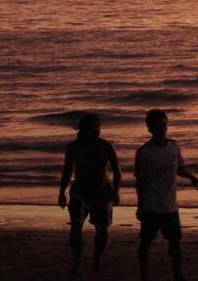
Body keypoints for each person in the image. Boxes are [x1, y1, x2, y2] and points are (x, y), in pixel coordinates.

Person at [136, 108, 198, 281]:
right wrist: (140, 206)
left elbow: (179, 168)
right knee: (146, 242)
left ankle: (178, 275)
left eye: (164, 125)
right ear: (149, 128)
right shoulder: (145, 152)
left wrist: (192, 177)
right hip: (151, 205)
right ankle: (144, 276)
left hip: (170, 205)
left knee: (174, 242)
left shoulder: (174, 146)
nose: (161, 129)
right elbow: (140, 181)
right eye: (157, 126)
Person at [58, 113, 122, 275]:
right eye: (92, 127)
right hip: (80, 193)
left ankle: (96, 262)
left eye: (97, 127)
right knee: (76, 229)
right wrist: (61, 192)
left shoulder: (106, 145)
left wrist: (116, 190)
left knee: (102, 230)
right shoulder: (74, 146)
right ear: (82, 129)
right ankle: (77, 262)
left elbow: (116, 170)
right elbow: (67, 170)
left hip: (102, 193)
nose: (96, 130)